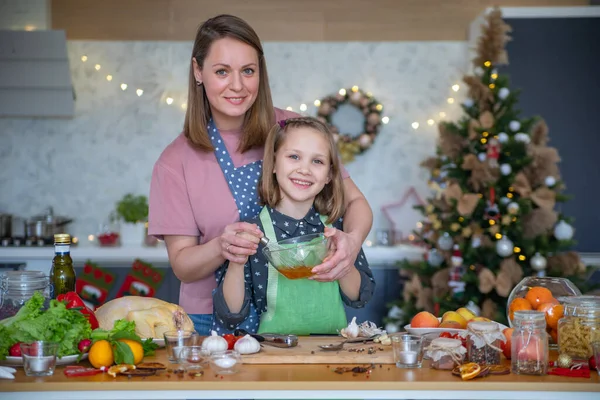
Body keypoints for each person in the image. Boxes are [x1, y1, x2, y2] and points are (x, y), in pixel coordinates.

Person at [148, 14, 373, 335]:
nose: (237, 86)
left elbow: (355, 203)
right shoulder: (175, 161)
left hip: (301, 317)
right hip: (211, 321)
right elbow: (183, 265)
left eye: (248, 71)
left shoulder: (292, 130)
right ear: (198, 71)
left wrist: (351, 244)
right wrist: (221, 247)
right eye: (222, 71)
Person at [213, 117, 375, 335]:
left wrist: (341, 260)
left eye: (317, 161)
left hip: (333, 354)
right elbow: (231, 314)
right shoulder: (253, 231)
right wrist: (236, 260)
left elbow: (359, 297)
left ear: (328, 175)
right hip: (275, 356)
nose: (304, 169)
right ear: (273, 163)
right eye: (294, 156)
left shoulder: (337, 229)